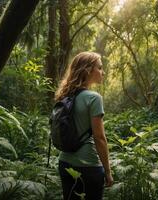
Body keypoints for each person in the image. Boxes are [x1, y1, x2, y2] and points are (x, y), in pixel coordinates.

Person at [55, 52, 113, 200]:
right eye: (99, 68)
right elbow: (99, 137)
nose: (103, 72)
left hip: (64, 162)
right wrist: (107, 171)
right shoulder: (94, 98)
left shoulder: (65, 96)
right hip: (89, 166)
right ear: (88, 71)